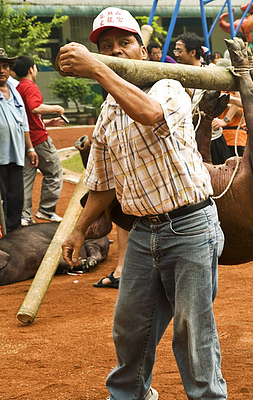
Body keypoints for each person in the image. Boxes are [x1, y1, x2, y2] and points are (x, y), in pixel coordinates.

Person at [58, 7, 226, 399]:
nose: (116, 51)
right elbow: (102, 183)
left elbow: (150, 115)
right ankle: (129, 395)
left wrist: (99, 69)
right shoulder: (107, 114)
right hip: (142, 233)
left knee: (191, 329)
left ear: (144, 50)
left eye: (124, 43)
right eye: (105, 47)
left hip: (189, 227)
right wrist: (78, 229)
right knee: (130, 325)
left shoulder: (167, 86)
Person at [13, 55, 65, 226]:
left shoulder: (17, 88)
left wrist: (48, 122)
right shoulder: (30, 86)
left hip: (25, 141)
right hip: (39, 140)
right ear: (31, 69)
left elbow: (27, 115)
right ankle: (46, 210)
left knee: (27, 178)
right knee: (54, 172)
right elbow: (35, 108)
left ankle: (24, 216)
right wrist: (56, 108)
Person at [175, 32, 229, 164]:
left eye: (179, 50)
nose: (175, 54)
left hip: (211, 139)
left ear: (192, 52)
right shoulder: (175, 74)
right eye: (175, 50)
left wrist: (226, 120)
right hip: (185, 138)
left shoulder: (211, 74)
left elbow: (233, 97)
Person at [0, 48, 37, 234]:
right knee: (1, 200)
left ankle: (13, 236)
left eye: (5, 66)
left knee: (15, 198)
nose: (1, 70)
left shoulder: (14, 91)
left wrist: (30, 149)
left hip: (16, 155)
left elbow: (23, 123)